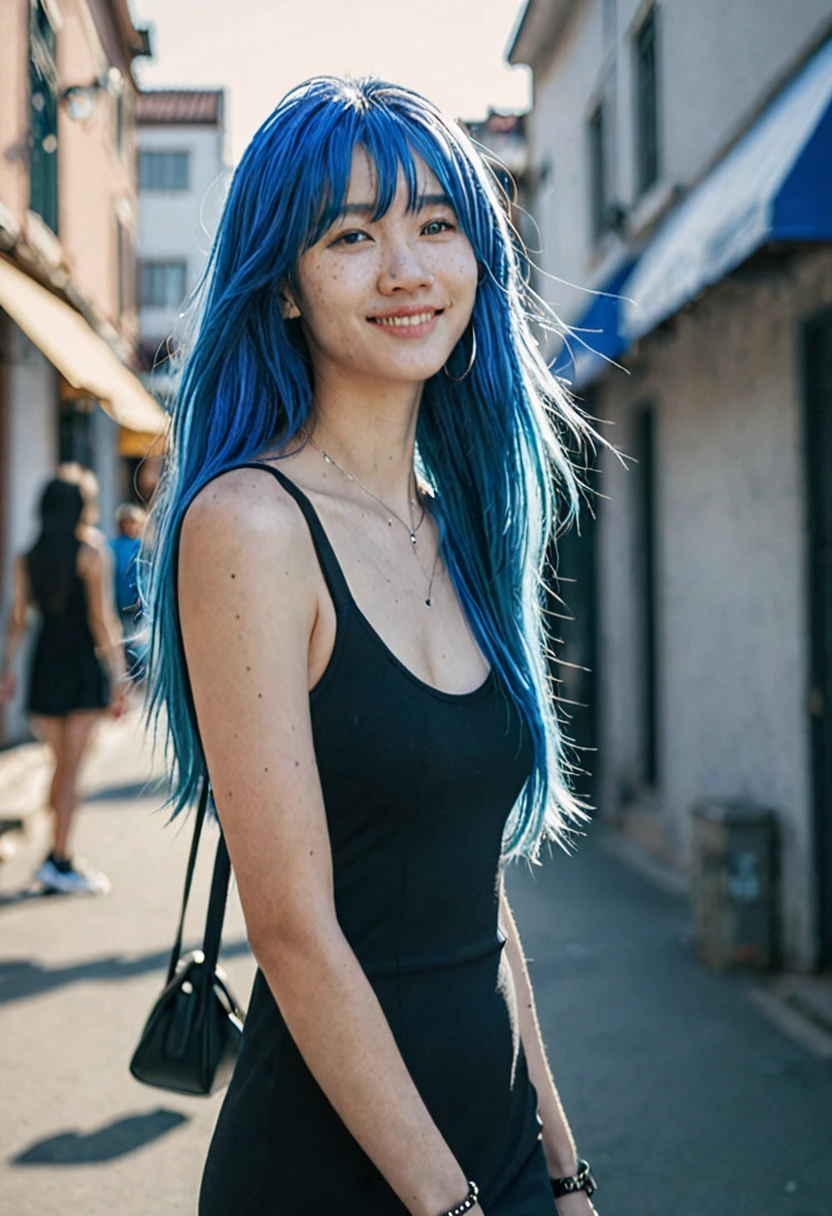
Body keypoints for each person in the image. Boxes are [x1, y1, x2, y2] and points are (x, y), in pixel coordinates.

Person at [143, 77, 602, 1215]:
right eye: (351, 234)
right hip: (338, 1166)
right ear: (287, 286)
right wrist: (449, 1206)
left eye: (436, 224)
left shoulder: (463, 523)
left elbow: (474, 892)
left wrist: (562, 1165)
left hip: (487, 1150)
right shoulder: (248, 525)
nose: (405, 269)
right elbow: (294, 931)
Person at [0, 478, 128, 894]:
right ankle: (60, 859)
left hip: (44, 667)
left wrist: (10, 671)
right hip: (80, 667)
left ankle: (54, 857)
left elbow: (18, 619)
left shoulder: (27, 557)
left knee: (60, 765)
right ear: (80, 508)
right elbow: (101, 618)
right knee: (71, 769)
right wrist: (119, 673)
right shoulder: (92, 554)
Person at [110, 503, 148, 679]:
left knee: (136, 646)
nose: (132, 526)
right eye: (128, 522)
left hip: (137, 606)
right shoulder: (111, 547)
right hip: (118, 605)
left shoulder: (142, 547)